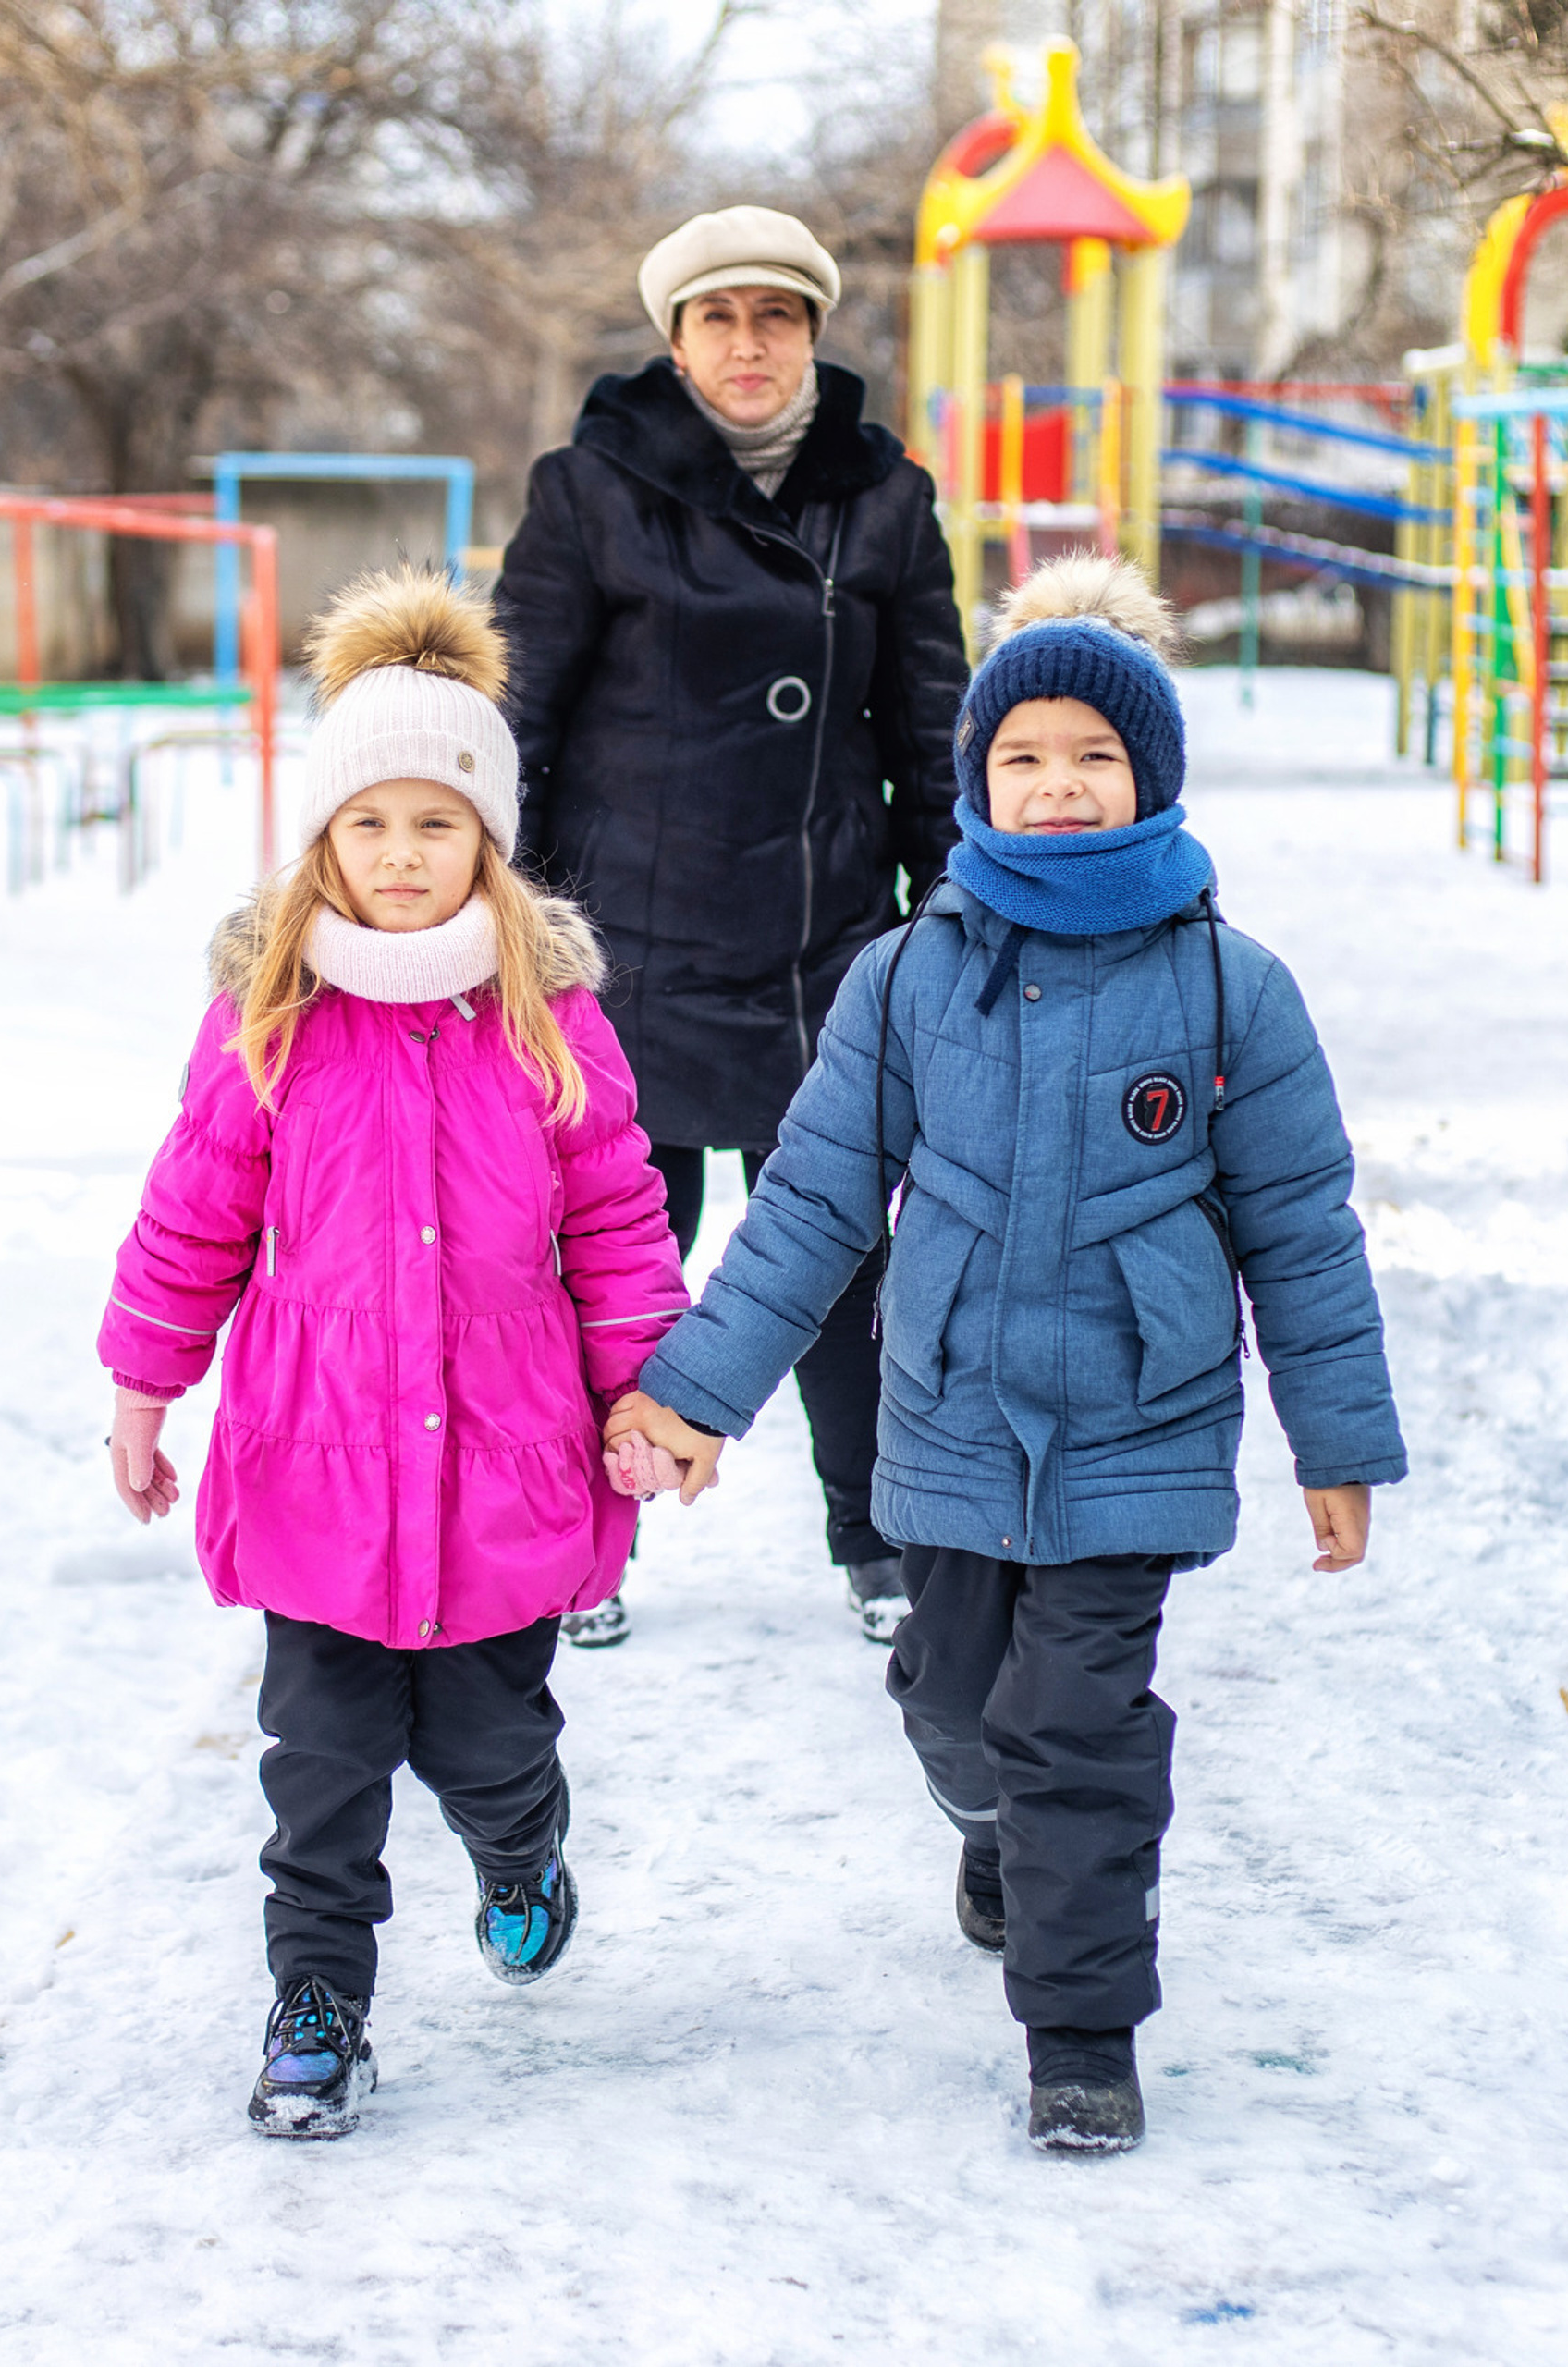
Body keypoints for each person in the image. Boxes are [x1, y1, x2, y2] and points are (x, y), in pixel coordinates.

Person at [606, 555, 1407, 2153]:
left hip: (1140, 1419)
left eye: (1094, 757)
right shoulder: (903, 981)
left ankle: (1083, 2029)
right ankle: (993, 1827)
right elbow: (815, 1209)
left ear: (1150, 779)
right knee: (958, 1704)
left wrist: (1336, 1441)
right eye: (1023, 757)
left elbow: (1302, 1228)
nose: (1057, 786)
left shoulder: (1233, 989)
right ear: (976, 780)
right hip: (956, 1419)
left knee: (1083, 1732)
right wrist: (696, 1396)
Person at [97, 568, 687, 2140]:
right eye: (372, 825)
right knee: (322, 1769)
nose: (404, 855)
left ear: (486, 842)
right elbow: (193, 1214)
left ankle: (520, 1849)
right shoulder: (269, 1016)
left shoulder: (544, 1013)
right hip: (319, 1465)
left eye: (437, 825)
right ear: (324, 843)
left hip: (503, 1458)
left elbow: (621, 1215)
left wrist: (652, 1392)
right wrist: (147, 1383)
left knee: (493, 1747)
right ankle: (317, 2007)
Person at [498, 204, 971, 1648]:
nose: (748, 341)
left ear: (814, 334)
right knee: (611, 1251)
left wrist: (955, 912)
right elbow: (516, 715)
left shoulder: (885, 499)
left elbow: (935, 725)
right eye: (719, 316)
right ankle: (591, 1540)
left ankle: (874, 1537)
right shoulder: (590, 489)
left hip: (818, 945)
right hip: (622, 941)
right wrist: (486, 912)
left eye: (777, 314)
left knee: (833, 1249)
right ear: (677, 336)